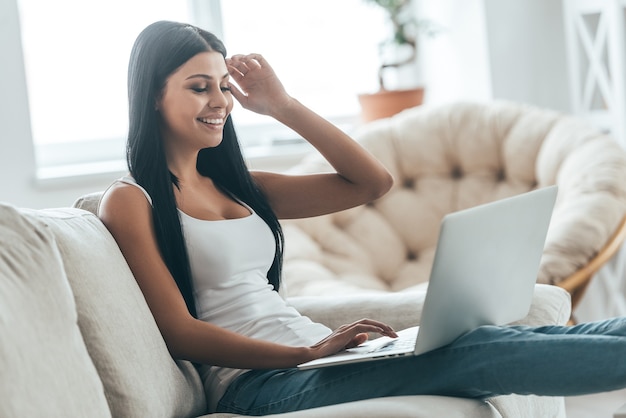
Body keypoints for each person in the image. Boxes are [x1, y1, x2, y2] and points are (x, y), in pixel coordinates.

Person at [99, 20, 626, 416]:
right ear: (151, 95)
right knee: (478, 353)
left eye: (223, 86)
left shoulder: (241, 186)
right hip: (258, 382)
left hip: (317, 359)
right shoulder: (132, 200)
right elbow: (179, 331)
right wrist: (303, 351)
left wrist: (281, 105)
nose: (220, 102)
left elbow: (371, 182)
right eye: (199, 87)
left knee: (483, 337)